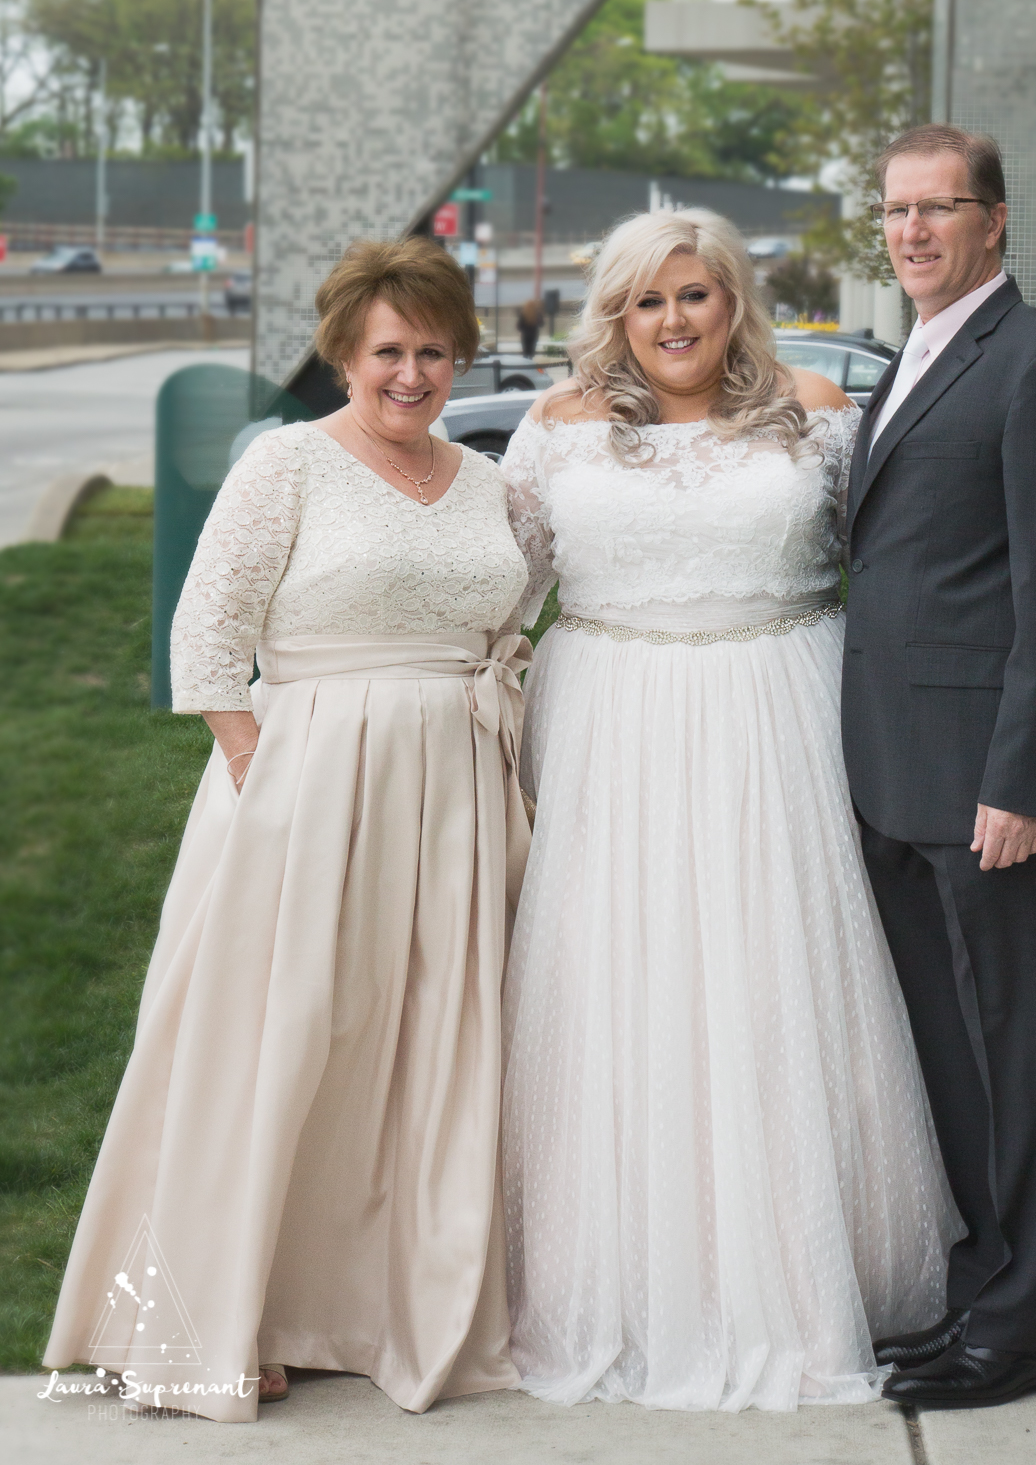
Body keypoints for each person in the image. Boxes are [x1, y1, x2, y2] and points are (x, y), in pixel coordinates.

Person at [43, 237, 531, 1421]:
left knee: (421, 1047)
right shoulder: (288, 466)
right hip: (308, 783)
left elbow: (517, 609)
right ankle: (229, 1308)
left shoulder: (489, 481)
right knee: (281, 1037)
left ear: (460, 354)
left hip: (454, 787)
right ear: (343, 357)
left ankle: (377, 1305)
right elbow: (208, 634)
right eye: (386, 352)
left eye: (431, 350)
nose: (409, 374)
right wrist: (265, 774)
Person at [500, 208, 962, 1411]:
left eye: (695, 295)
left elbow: (910, 559)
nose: (672, 322)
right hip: (614, 728)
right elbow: (500, 588)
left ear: (734, 299)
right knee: (623, 986)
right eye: (647, 301)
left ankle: (818, 1267)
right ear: (615, 312)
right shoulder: (557, 428)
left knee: (783, 978)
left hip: (783, 721)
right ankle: (624, 1272)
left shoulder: (814, 407)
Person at [842, 126, 1036, 1410]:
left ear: (996, 221)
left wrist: (1022, 783)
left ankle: (1024, 1333)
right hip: (903, 773)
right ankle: (983, 1296)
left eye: (938, 209)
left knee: (1017, 1051)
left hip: (993, 790)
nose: (911, 232)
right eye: (895, 211)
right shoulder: (919, 356)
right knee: (953, 1057)